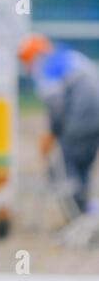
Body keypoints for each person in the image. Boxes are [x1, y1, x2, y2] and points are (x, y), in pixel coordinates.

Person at [18, 34, 99, 214]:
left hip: (82, 115)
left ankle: (78, 219)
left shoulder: (45, 67)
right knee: (82, 169)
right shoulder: (68, 56)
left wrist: (51, 134)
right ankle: (86, 215)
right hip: (94, 117)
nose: (27, 67)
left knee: (63, 170)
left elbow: (56, 106)